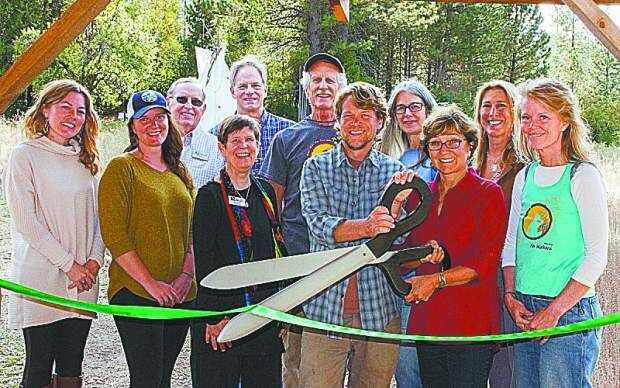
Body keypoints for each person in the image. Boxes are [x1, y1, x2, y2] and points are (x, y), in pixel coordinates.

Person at [299, 82, 443, 388]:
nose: (355, 122)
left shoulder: (394, 172)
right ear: (337, 121)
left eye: (365, 115)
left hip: (379, 311)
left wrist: (400, 207)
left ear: (379, 122)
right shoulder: (315, 167)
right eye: (348, 115)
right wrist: (366, 226)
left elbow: (401, 241)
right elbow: (319, 226)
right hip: (324, 311)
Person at [502, 78, 608, 388]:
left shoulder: (582, 175)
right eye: (526, 117)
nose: (532, 125)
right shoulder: (526, 176)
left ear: (564, 121)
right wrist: (510, 296)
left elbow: (596, 257)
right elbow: (512, 244)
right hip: (525, 307)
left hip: (568, 313)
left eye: (543, 117)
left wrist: (554, 312)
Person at [3, 79, 105, 388]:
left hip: (84, 280)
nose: (72, 116)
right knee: (38, 367)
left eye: (80, 111)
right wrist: (69, 265)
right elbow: (27, 222)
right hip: (42, 277)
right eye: (65, 107)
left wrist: (92, 264)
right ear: (46, 109)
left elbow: (101, 219)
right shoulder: (25, 156)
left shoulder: (87, 159)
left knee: (72, 364)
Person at [400, 105, 507, 387]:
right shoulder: (419, 196)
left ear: (470, 146)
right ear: (427, 150)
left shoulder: (488, 193)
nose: (444, 150)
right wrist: (421, 255)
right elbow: (402, 261)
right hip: (429, 320)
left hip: (469, 322)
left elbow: (485, 263)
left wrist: (436, 279)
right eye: (435, 143)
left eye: (453, 142)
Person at [259, 52, 347, 387]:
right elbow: (273, 206)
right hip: (298, 261)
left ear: (341, 87)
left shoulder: (355, 135)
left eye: (330, 80)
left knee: (341, 349)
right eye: (316, 80)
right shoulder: (288, 139)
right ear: (306, 89)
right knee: (295, 354)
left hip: (345, 259)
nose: (323, 86)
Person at [98, 90, 197, 388]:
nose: (153, 125)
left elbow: (192, 231)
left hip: (180, 295)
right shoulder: (122, 168)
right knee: (147, 379)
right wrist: (151, 285)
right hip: (137, 292)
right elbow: (114, 235)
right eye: (144, 119)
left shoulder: (180, 171)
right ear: (132, 126)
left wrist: (185, 277)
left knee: (163, 377)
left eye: (159, 117)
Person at [192, 114, 287, 388]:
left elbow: (275, 253)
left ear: (258, 146)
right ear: (222, 148)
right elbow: (205, 262)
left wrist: (282, 309)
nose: (243, 146)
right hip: (223, 318)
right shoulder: (209, 197)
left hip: (262, 316)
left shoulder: (265, 192)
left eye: (249, 139)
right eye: (235, 140)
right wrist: (213, 317)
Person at [379, 79, 438, 388]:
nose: (408, 114)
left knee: (434, 363)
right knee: (406, 365)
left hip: (437, 268)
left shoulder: (445, 156)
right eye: (400, 108)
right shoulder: (393, 160)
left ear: (428, 109)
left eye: (415, 106)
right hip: (401, 270)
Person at [472, 80, 525, 388]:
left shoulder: (524, 166)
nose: (493, 113)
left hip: (506, 275)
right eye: (486, 105)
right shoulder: (469, 162)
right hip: (471, 278)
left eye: (501, 105)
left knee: (506, 369)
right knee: (474, 361)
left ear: (514, 112)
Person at [209, 56, 294, 173]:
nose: (249, 91)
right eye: (243, 86)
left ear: (265, 90)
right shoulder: (215, 135)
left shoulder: (289, 131)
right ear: (232, 92)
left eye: (255, 85)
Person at [167, 77, 224, 189]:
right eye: (182, 99)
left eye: (196, 102)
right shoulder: (153, 142)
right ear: (168, 103)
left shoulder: (216, 147)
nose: (188, 106)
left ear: (203, 109)